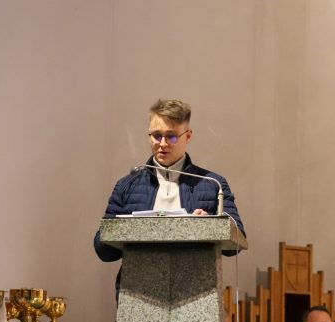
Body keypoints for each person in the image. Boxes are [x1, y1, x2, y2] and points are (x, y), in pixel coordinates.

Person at [94, 98, 245, 263]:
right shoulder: (127, 185)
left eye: (171, 137)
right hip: (138, 277)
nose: (163, 144)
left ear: (188, 136)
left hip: (195, 278)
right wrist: (125, 230)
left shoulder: (213, 184)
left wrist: (208, 224)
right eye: (156, 136)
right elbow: (103, 250)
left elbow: (237, 240)